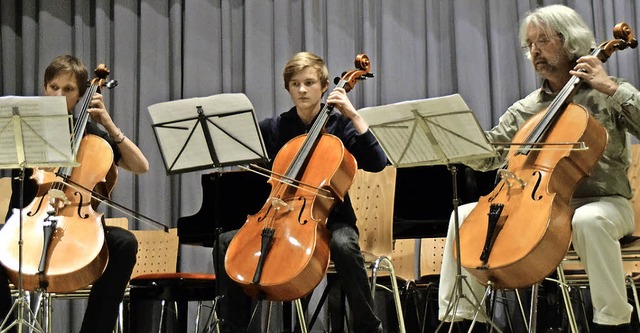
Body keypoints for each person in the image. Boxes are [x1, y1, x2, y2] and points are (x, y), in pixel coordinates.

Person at [438, 4, 640, 333]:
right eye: (529, 44)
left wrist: (611, 88)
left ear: (570, 41)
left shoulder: (607, 91)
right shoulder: (527, 108)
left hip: (605, 203)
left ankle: (614, 321)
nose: (534, 51)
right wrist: (454, 139)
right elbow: (490, 154)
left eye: (542, 41)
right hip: (537, 207)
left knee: (588, 220)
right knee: (462, 217)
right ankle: (459, 318)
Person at [213, 51, 388, 333]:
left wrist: (353, 114)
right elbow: (250, 162)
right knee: (225, 242)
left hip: (333, 219)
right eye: (295, 84)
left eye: (309, 83)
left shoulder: (340, 126)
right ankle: (233, 327)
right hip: (280, 217)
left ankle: (368, 326)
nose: (302, 90)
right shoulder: (275, 127)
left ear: (323, 86)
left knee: (344, 245)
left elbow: (378, 163)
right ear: (288, 88)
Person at [0, 55, 149, 333]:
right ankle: (5, 325)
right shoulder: (24, 129)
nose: (58, 95)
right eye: (54, 87)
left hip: (76, 225)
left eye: (68, 89)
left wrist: (108, 125)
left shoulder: (93, 137)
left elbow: (141, 166)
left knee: (123, 243)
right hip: (26, 221)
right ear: (45, 88)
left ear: (81, 94)